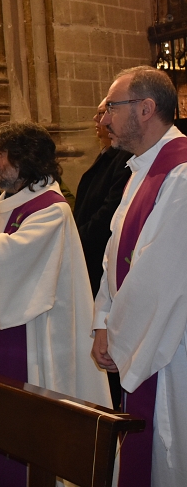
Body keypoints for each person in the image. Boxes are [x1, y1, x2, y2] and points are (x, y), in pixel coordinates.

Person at [0, 121, 111, 487]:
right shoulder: (6, 205)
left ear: (25, 159)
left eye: (1, 154)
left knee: (32, 431)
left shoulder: (51, 209)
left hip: (38, 337)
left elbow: (1, 260)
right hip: (2, 332)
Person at [92, 67, 187, 487]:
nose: (105, 118)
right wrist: (101, 323)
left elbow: (157, 274)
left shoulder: (180, 174)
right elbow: (113, 254)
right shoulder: (141, 170)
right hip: (137, 337)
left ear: (145, 109)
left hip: (169, 346)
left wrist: (117, 333)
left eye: (112, 106)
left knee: (167, 452)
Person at [74, 100, 132, 408]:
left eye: (105, 112)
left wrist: (76, 241)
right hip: (94, 263)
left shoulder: (125, 161)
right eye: (99, 112)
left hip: (101, 262)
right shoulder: (108, 156)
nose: (100, 119)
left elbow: (109, 216)